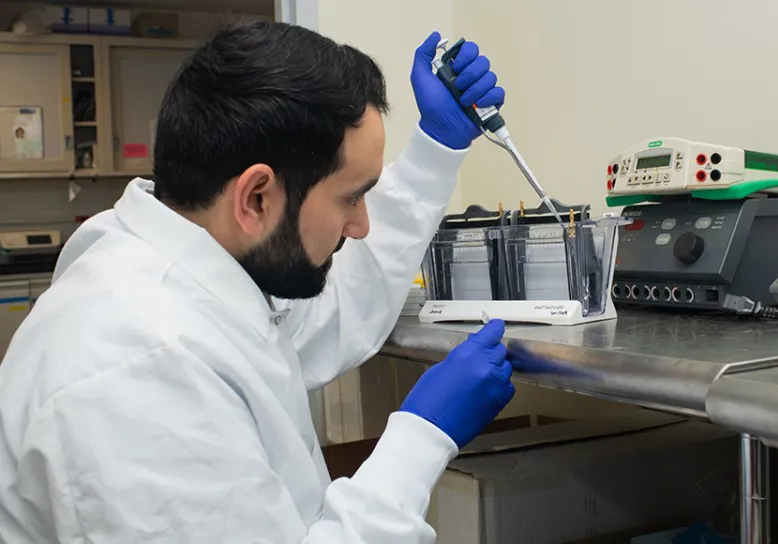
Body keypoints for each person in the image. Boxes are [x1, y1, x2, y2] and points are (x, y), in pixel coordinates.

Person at [0, 21, 516, 543]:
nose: (361, 226)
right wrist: (421, 438)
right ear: (256, 198)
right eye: (350, 198)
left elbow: (329, 315)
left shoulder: (196, 277)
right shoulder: (137, 369)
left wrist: (436, 147)